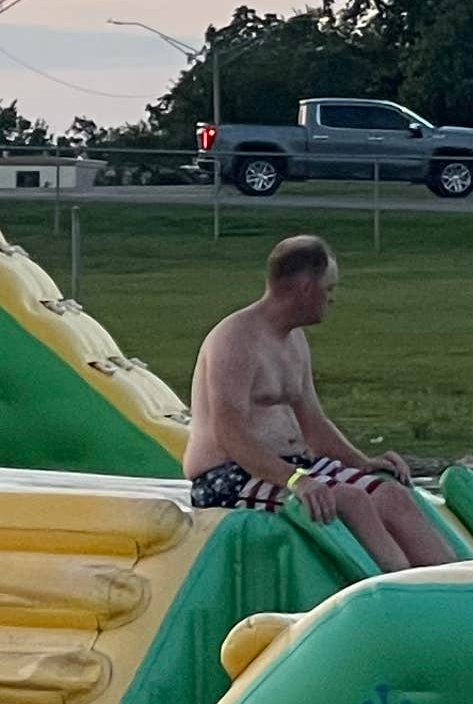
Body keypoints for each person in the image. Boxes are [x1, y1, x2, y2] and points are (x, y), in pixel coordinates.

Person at [183, 235, 456, 571]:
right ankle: (397, 585)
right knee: (351, 499)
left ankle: (449, 584)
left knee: (391, 494)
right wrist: (295, 480)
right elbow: (229, 432)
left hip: (293, 465)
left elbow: (313, 424)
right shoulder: (235, 339)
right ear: (305, 287)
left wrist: (362, 462)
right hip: (228, 476)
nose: (332, 299)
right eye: (328, 289)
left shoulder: (295, 340)